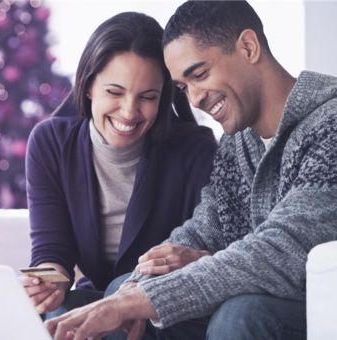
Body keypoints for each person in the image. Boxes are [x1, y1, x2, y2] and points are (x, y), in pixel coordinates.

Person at [45, 1, 337, 339]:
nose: (195, 99)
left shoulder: (329, 124)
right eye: (183, 87)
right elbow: (206, 228)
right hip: (264, 293)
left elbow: (284, 250)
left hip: (316, 302)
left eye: (199, 74)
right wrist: (136, 288)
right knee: (120, 289)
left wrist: (143, 299)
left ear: (248, 47)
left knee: (240, 316)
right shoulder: (240, 140)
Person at [23, 11, 217, 320]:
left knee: (114, 291)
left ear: (164, 96)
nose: (129, 112)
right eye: (114, 92)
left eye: (148, 97)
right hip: (98, 299)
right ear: (88, 86)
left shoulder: (195, 149)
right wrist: (47, 283)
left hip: (165, 308)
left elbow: (212, 247)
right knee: (51, 311)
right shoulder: (51, 143)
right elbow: (52, 251)